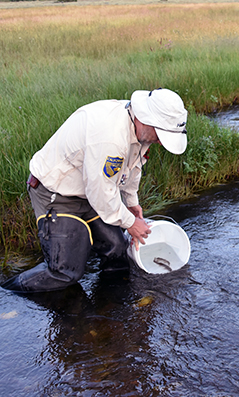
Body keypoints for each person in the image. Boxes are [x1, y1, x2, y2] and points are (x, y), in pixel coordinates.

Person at [2, 88, 188, 292]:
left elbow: (133, 166)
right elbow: (101, 194)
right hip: (57, 192)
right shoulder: (110, 138)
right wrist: (130, 223)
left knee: (117, 250)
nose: (161, 141)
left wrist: (132, 203)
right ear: (146, 119)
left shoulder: (139, 128)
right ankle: (6, 290)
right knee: (65, 272)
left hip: (90, 191)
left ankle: (109, 309)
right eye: (161, 135)